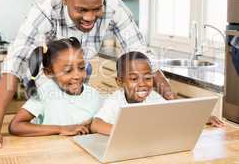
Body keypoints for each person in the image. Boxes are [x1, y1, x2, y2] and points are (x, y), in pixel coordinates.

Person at [0, 0, 175, 151]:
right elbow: (15, 64)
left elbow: (144, 57)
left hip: (79, 75)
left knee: (79, 128)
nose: (90, 18)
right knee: (54, 117)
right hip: (51, 76)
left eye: (96, 9)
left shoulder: (114, 6)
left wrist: (181, 111)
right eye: (81, 10)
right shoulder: (45, 8)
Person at [90, 51, 224, 135]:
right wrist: (124, 133)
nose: (142, 84)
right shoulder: (115, 101)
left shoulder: (153, 97)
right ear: (120, 82)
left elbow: (176, 112)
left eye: (148, 78)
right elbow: (96, 124)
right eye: (134, 79)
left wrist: (202, 116)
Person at [8, 37, 100, 136]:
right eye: (68, 70)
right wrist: (60, 129)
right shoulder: (45, 93)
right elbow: (15, 126)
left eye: (81, 68)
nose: (77, 76)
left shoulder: (94, 95)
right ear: (49, 72)